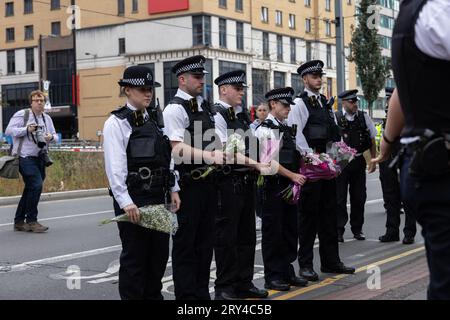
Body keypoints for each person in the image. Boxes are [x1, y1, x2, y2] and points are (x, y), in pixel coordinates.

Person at [372, 0, 450, 300]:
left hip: (425, 164)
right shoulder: (439, 12)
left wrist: (387, 145)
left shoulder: (417, 12)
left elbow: (400, 99)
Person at [103, 65, 181, 300]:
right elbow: (115, 168)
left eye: (150, 88)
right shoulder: (116, 123)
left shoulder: (156, 119)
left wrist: (173, 187)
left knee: (157, 259)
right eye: (141, 89)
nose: (147, 93)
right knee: (135, 260)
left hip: (158, 196)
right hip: (135, 200)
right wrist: (125, 201)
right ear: (127, 90)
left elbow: (166, 157)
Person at [287, 60, 355, 282]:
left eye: (320, 76)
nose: (319, 80)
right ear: (305, 79)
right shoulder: (299, 104)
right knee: (308, 218)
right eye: (314, 76)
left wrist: (337, 158)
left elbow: (332, 135)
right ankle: (305, 265)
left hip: (327, 167)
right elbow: (295, 135)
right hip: (310, 167)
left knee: (329, 214)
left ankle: (331, 261)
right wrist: (312, 158)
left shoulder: (324, 103)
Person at [163, 55, 224, 300]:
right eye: (197, 77)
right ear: (182, 79)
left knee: (205, 245)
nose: (201, 82)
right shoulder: (175, 108)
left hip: (208, 185)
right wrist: (211, 156)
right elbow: (176, 149)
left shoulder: (204, 106)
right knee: (186, 247)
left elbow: (214, 141)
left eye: (202, 77)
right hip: (187, 186)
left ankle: (201, 297)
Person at [212, 70, 268, 300]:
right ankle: (225, 287)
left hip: (246, 181)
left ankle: (244, 283)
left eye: (242, 88)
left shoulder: (241, 115)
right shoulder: (217, 115)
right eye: (237, 88)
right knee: (227, 238)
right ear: (223, 89)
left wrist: (263, 158)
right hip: (228, 183)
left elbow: (251, 144)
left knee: (246, 237)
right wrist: (256, 163)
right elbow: (226, 152)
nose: (242, 92)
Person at [255, 87, 309, 292]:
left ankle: (286, 270)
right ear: (273, 105)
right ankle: (273, 276)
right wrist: (293, 175)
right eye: (285, 105)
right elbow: (268, 163)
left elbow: (293, 155)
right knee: (273, 233)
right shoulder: (265, 130)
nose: (288, 109)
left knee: (289, 231)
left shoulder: (286, 128)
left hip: (289, 186)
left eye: (289, 105)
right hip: (273, 188)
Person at [6, 90, 58, 233]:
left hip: (41, 157)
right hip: (24, 157)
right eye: (36, 100)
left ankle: (18, 221)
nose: (39, 102)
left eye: (41, 100)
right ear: (31, 102)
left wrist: (50, 137)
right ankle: (31, 221)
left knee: (30, 188)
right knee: (36, 184)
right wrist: (26, 129)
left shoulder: (47, 118)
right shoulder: (23, 114)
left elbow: (56, 136)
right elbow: (8, 131)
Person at [335, 89, 377, 242]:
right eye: (351, 101)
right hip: (341, 161)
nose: (355, 104)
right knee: (339, 198)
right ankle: (338, 229)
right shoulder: (336, 117)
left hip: (358, 160)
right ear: (343, 103)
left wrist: (373, 159)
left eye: (356, 101)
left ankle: (357, 229)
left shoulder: (363, 117)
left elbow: (372, 139)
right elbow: (331, 141)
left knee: (359, 197)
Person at [378, 87, 416, 244]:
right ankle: (392, 231)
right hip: (388, 159)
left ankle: (409, 232)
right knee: (391, 196)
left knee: (407, 196)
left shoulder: (408, 113)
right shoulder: (388, 116)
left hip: (404, 154)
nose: (388, 102)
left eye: (390, 99)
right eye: (388, 99)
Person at [250, 102, 269, 231]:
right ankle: (258, 216)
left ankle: (265, 214)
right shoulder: (252, 127)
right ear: (256, 112)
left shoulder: (270, 125)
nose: (262, 112)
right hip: (256, 160)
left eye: (264, 110)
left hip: (268, 158)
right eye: (260, 110)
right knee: (258, 190)